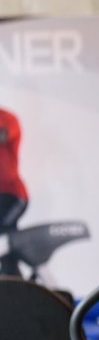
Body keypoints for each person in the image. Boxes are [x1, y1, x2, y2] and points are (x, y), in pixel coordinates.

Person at [0, 107, 29, 276]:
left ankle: (13, 281)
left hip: (14, 196)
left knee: (5, 235)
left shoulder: (8, 118)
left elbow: (3, 134)